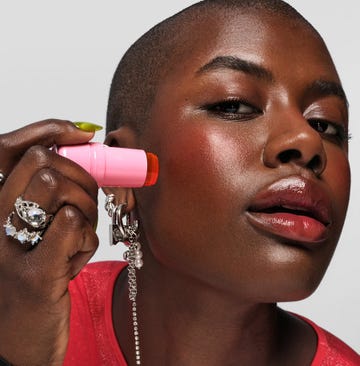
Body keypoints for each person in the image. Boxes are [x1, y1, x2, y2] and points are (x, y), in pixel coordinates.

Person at [0, 0, 359, 365]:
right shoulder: (22, 308)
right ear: (123, 177)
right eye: (234, 105)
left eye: (326, 125)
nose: (307, 142)